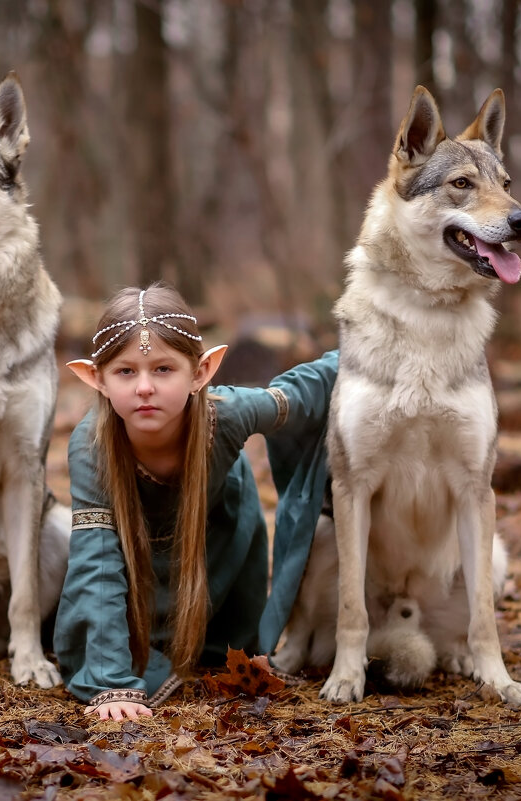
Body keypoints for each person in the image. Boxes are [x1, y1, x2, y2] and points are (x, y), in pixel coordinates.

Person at [54, 282, 337, 721]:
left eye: (164, 369)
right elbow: (98, 564)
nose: (144, 387)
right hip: (130, 566)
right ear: (96, 378)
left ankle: (215, 637)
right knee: (102, 631)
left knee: (226, 658)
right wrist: (113, 682)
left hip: (217, 550)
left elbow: (308, 392)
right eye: (126, 372)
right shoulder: (90, 446)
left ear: (202, 371)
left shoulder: (228, 414)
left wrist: (380, 345)